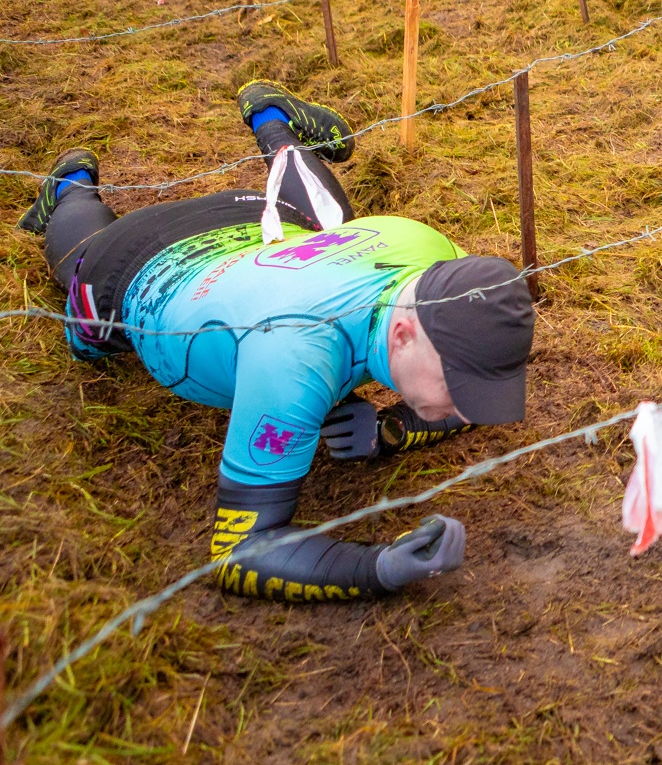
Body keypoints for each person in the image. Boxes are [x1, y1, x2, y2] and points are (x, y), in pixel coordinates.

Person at [18, 81, 536, 601]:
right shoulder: (294, 359)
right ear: (402, 334)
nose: (460, 406)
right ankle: (71, 187)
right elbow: (242, 548)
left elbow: (474, 366)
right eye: (454, 385)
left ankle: (272, 120)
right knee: (82, 294)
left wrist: (394, 429)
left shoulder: (428, 248)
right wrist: (376, 567)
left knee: (334, 223)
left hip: (265, 224)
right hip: (140, 261)